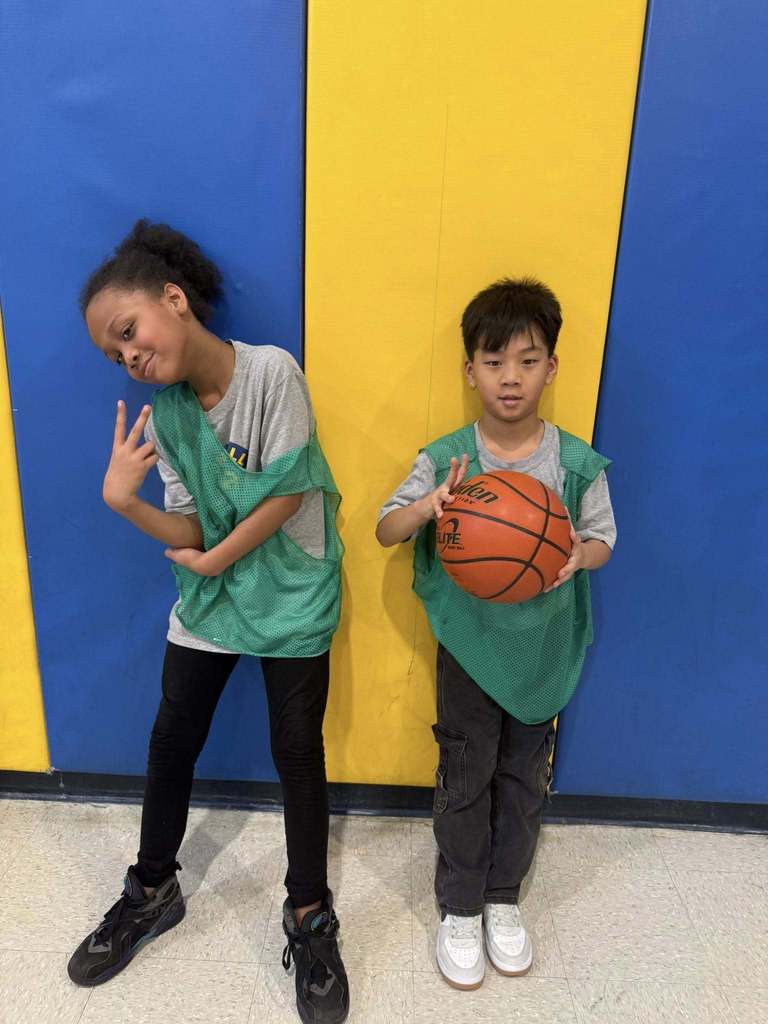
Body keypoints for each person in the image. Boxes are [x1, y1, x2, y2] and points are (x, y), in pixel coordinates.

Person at [68, 219, 349, 1024]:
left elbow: (288, 493)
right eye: (113, 353)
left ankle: (309, 913)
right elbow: (189, 525)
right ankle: (153, 889)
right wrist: (124, 504)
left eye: (129, 331)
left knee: (296, 749)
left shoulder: (271, 372)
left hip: (292, 591)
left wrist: (215, 558)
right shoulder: (166, 419)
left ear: (174, 299)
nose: (127, 356)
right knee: (171, 737)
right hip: (215, 596)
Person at [376, 277, 616, 990]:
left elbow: (603, 538)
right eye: (493, 361)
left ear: (552, 367)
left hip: (542, 648)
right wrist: (428, 507)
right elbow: (386, 529)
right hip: (470, 649)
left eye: (528, 360)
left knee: (523, 778)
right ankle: (459, 905)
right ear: (469, 371)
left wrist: (578, 555)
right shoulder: (447, 459)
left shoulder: (574, 464)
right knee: (466, 774)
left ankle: (503, 897)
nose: (511, 377)